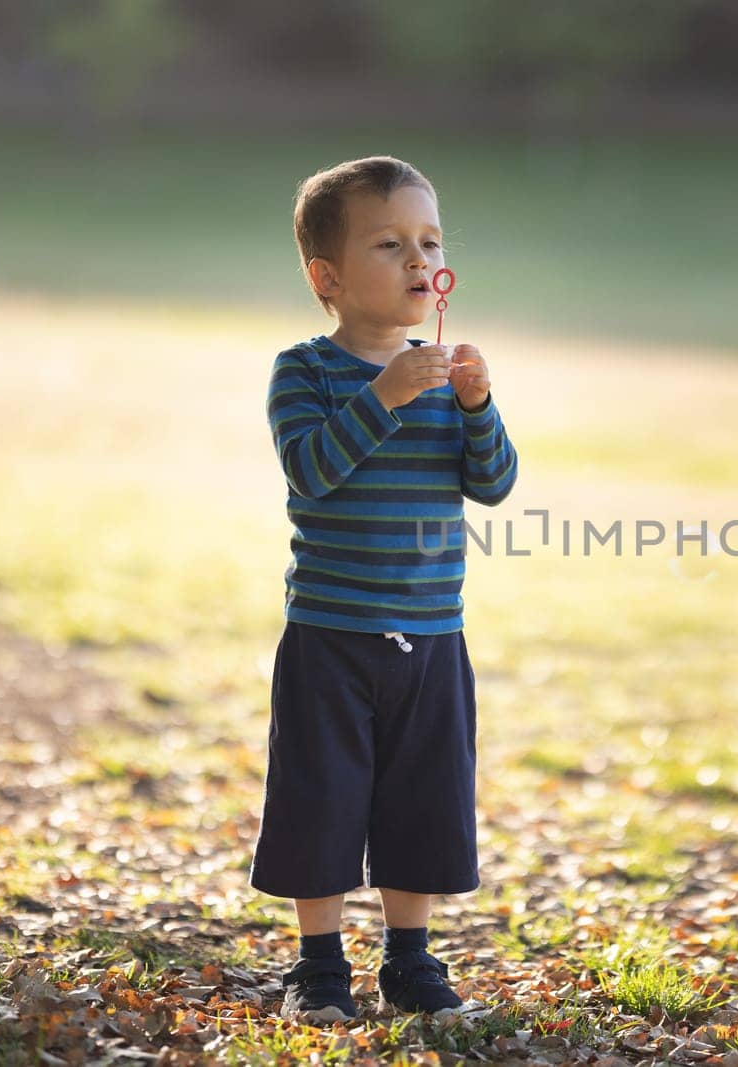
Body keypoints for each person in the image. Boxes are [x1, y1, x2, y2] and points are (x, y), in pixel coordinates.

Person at [248, 154, 518, 1024]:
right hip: (331, 631)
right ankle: (318, 964)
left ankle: (411, 959)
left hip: (433, 633)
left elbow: (495, 483)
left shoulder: (443, 376)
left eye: (429, 241)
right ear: (327, 276)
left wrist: (479, 406)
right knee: (318, 795)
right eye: (390, 242)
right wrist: (384, 394)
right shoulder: (306, 372)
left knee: (423, 796)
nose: (417, 259)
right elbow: (312, 472)